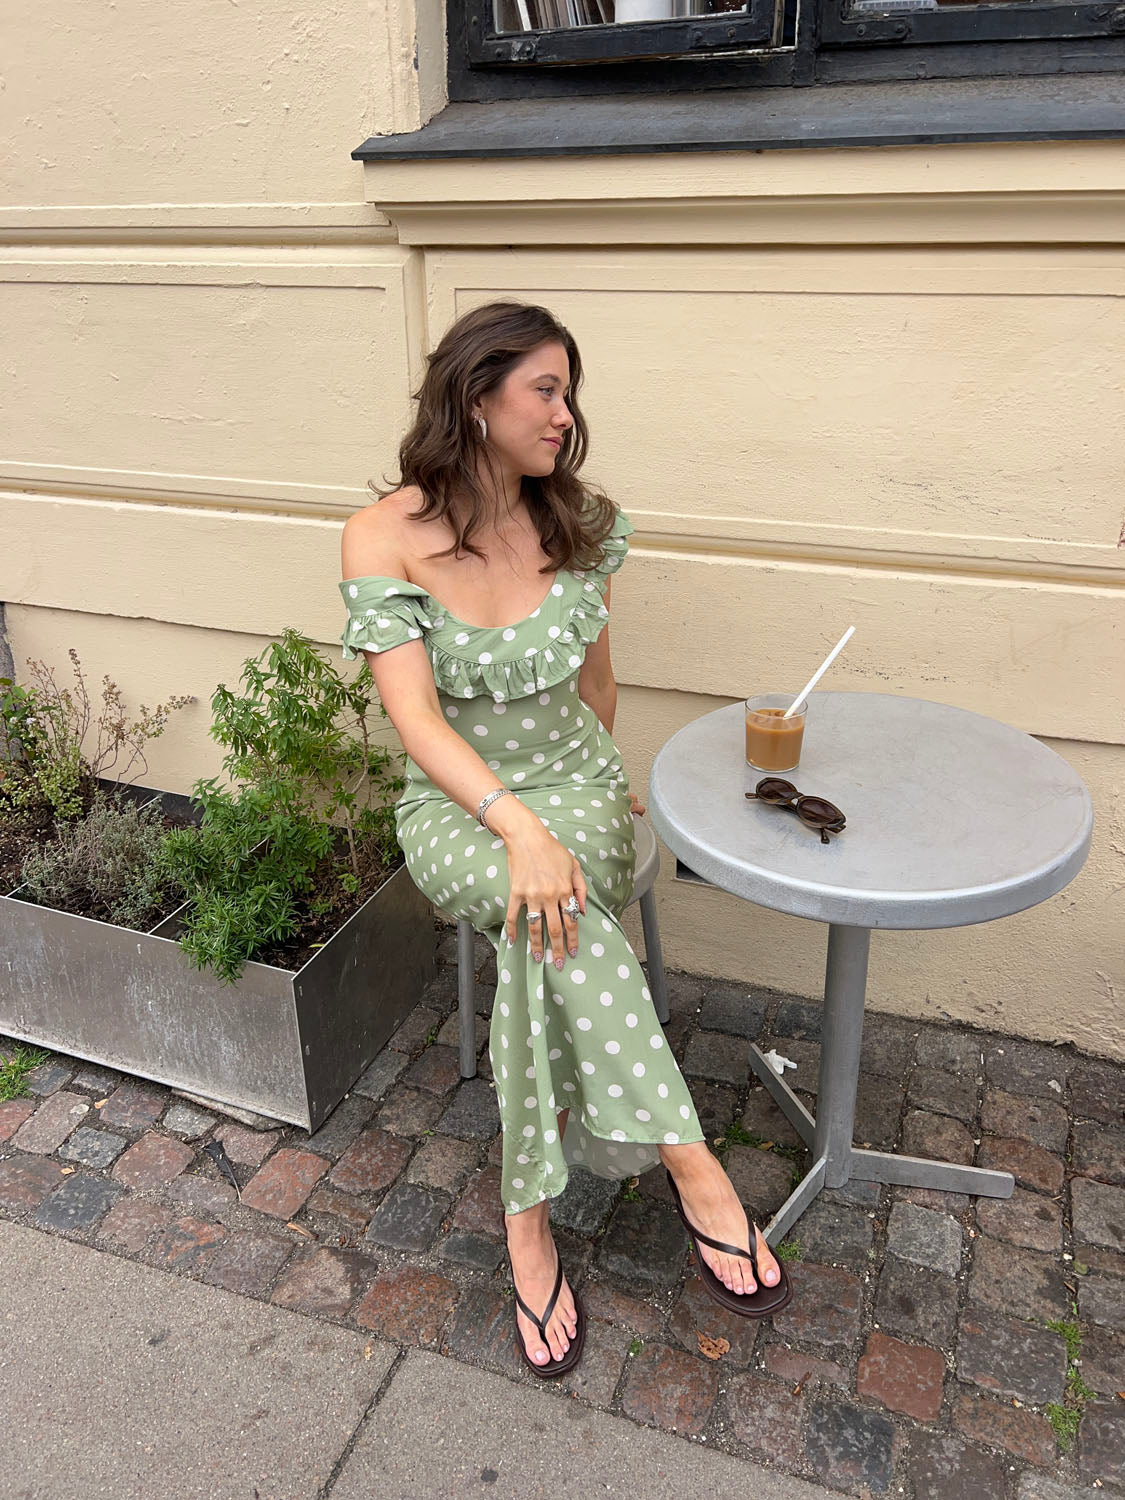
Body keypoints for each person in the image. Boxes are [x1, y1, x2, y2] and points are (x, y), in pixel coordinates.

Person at [338, 300, 790, 1378]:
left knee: (551, 917)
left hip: (577, 785)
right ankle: (692, 1164)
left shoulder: (582, 524)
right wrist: (518, 827)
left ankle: (528, 1221)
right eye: (545, 389)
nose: (565, 414)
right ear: (475, 397)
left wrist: (590, 801)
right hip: (457, 806)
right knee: (549, 904)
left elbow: (597, 685)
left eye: (567, 392)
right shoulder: (382, 536)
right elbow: (418, 722)